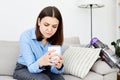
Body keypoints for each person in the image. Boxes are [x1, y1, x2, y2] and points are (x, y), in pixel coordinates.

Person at [13, 6, 65, 80]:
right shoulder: (26, 36)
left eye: (54, 26)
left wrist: (58, 67)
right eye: (46, 25)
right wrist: (41, 62)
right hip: (24, 69)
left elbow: (54, 70)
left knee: (60, 79)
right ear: (39, 22)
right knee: (43, 78)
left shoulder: (57, 39)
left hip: (45, 69)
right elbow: (31, 67)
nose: (49, 30)